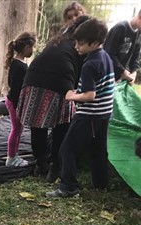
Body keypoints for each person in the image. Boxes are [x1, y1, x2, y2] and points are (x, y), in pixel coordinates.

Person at [47, 18, 115, 198]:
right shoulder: (104, 56)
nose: (77, 46)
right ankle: (101, 183)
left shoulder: (90, 64)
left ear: (95, 43)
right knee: (98, 149)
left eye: (81, 43)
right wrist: (80, 90)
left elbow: (90, 96)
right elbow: (99, 87)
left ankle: (68, 187)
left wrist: (72, 96)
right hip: (104, 113)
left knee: (67, 149)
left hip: (89, 115)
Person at [17, 15, 90, 182]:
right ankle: (55, 166)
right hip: (61, 83)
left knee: (38, 125)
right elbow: (80, 75)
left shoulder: (58, 40)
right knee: (61, 125)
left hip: (33, 79)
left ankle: (40, 163)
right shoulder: (81, 45)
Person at [4, 32, 36, 167]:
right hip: (15, 103)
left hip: (18, 103)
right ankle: (11, 158)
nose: (33, 50)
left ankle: (14, 155)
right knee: (16, 129)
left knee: (19, 129)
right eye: (32, 47)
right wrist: (18, 108)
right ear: (26, 47)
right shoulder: (18, 66)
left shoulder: (20, 63)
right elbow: (15, 88)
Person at [103, 9, 141, 85]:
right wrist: (122, 71)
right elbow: (108, 53)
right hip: (105, 74)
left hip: (117, 77)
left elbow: (135, 56)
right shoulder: (121, 28)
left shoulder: (138, 33)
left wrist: (133, 72)